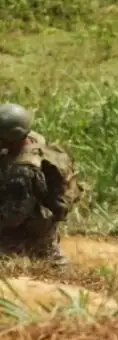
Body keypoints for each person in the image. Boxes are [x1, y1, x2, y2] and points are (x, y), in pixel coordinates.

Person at [0, 102, 81, 267]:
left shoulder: (23, 172)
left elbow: (11, 218)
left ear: (11, 137)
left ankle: (46, 256)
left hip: (28, 232)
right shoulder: (31, 139)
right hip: (38, 218)